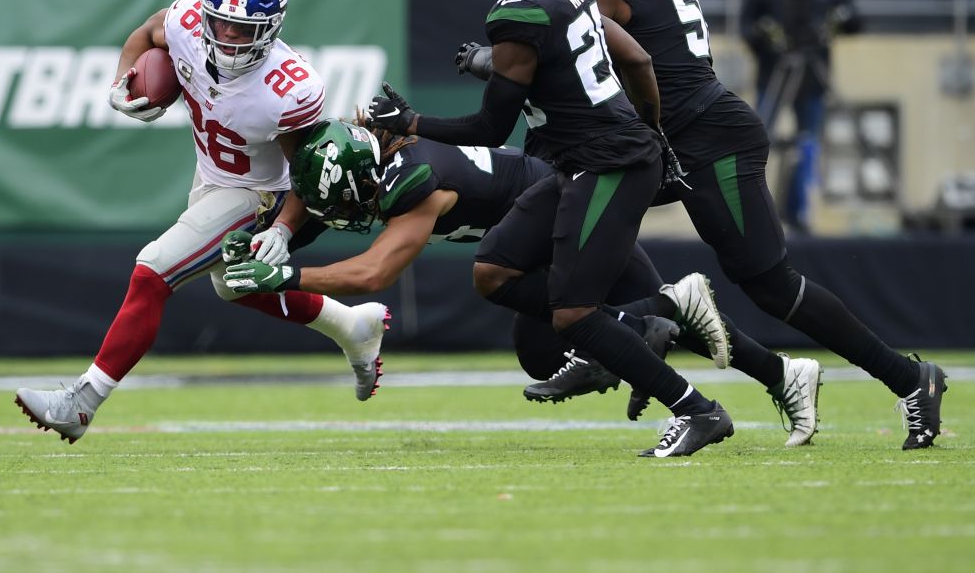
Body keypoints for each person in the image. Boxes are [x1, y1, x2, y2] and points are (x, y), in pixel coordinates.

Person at [536, 0, 946, 449]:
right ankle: (626, 328)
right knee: (573, 213)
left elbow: (556, 6)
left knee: (771, 285)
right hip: (667, 139)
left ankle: (909, 379)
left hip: (708, 138)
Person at [364, 0, 733, 459]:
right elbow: (635, 59)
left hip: (604, 163)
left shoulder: (518, 11)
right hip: (589, 158)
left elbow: (491, 126)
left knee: (572, 313)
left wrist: (411, 120)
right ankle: (634, 327)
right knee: (493, 269)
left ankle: (696, 410)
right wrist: (653, 128)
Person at [222, 118, 823, 446]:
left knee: (634, 320)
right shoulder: (362, 153)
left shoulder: (417, 187)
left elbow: (374, 272)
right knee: (544, 351)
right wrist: (276, 231)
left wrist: (288, 271)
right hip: (535, 240)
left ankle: (669, 329)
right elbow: (312, 185)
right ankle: (781, 372)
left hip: (568, 210)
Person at [14, 0, 390, 444]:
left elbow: (306, 171)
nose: (228, 35)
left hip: (257, 192)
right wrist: (121, 81)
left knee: (153, 271)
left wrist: (282, 229)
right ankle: (352, 325)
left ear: (270, 30)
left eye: (243, 29)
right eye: (222, 22)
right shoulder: (190, 18)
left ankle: (81, 403)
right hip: (210, 175)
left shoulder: (289, 88)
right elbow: (147, 34)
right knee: (232, 286)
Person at [741, 0, 861, 232]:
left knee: (808, 144)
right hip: (774, 73)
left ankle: (798, 211)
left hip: (814, 77)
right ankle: (750, 212)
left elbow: (856, 21)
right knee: (757, 139)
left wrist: (837, 22)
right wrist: (765, 38)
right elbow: (746, 24)